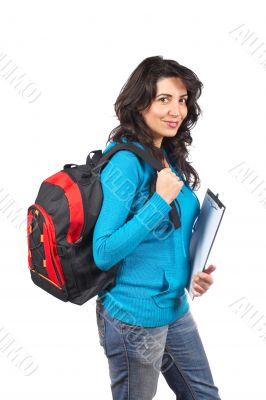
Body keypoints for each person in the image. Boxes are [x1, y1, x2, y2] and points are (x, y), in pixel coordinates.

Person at [92, 55, 221, 400]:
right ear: (140, 103)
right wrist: (158, 202)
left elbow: (169, 239)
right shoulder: (125, 162)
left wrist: (191, 272)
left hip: (174, 309)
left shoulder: (167, 154)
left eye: (182, 100)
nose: (176, 110)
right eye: (164, 99)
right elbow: (103, 252)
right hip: (132, 318)